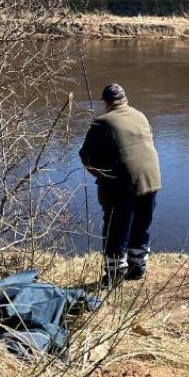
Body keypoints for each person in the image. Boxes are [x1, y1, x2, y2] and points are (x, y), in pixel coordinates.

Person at [79, 83, 161, 287]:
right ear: (124, 99)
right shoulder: (140, 115)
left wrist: (102, 174)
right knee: (141, 224)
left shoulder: (101, 123)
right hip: (151, 179)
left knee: (116, 229)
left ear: (106, 103)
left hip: (124, 185)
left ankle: (114, 277)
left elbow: (86, 157)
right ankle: (137, 268)